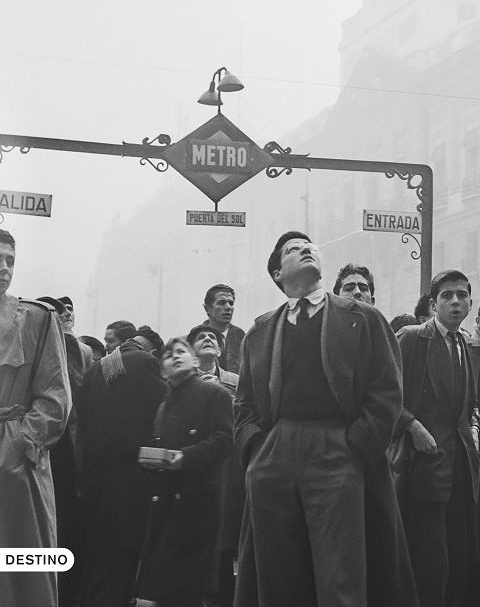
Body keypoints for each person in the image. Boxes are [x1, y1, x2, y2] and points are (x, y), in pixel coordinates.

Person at [234, 231, 418, 607]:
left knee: (340, 571)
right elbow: (244, 404)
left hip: (338, 447)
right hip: (275, 451)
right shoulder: (260, 331)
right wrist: (256, 449)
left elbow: (387, 389)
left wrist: (358, 445)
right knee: (278, 571)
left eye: (309, 246)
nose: (305, 248)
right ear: (277, 274)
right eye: (292, 249)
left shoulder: (362, 317)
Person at [396, 270, 480, 607]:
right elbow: (384, 394)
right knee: (430, 559)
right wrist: (412, 426)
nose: (456, 302)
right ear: (433, 304)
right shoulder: (413, 338)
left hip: (462, 470)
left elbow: (469, 406)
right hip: (426, 468)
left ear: (470, 303)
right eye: (447, 296)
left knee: (461, 556)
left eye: (462, 295)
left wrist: (474, 429)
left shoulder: (464, 345)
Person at [0, 229, 71, 607]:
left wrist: (21, 443)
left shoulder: (37, 318)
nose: (4, 268)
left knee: (22, 562)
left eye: (10, 260)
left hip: (15, 465)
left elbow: (56, 397)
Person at [136, 336, 233, 607]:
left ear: (194, 360)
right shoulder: (164, 404)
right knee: (166, 585)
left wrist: (185, 457)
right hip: (167, 499)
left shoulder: (215, 394)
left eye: (181, 351)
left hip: (198, 499)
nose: (175, 356)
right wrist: (151, 460)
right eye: (169, 355)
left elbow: (225, 440)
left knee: (187, 583)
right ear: (163, 369)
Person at [77, 326, 167, 607]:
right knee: (125, 551)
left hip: (95, 476)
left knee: (100, 552)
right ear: (154, 350)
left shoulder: (96, 368)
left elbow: (83, 419)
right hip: (130, 475)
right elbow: (164, 408)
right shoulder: (146, 361)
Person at [36, 295, 93, 607]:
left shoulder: (77, 349)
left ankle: (63, 590)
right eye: (59, 311)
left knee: (63, 520)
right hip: (49, 445)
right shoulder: (42, 345)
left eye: (69, 309)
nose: (65, 314)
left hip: (67, 447)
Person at [187, 324, 244, 607]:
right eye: (201, 337)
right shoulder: (183, 381)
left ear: (220, 350)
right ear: (191, 349)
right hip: (194, 461)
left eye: (213, 337)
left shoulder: (235, 381)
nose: (208, 339)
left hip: (228, 466)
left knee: (224, 530)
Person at [204, 284, 245, 372]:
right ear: (207, 309)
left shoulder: (243, 338)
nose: (228, 307)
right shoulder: (195, 339)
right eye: (221, 303)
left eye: (231, 303)